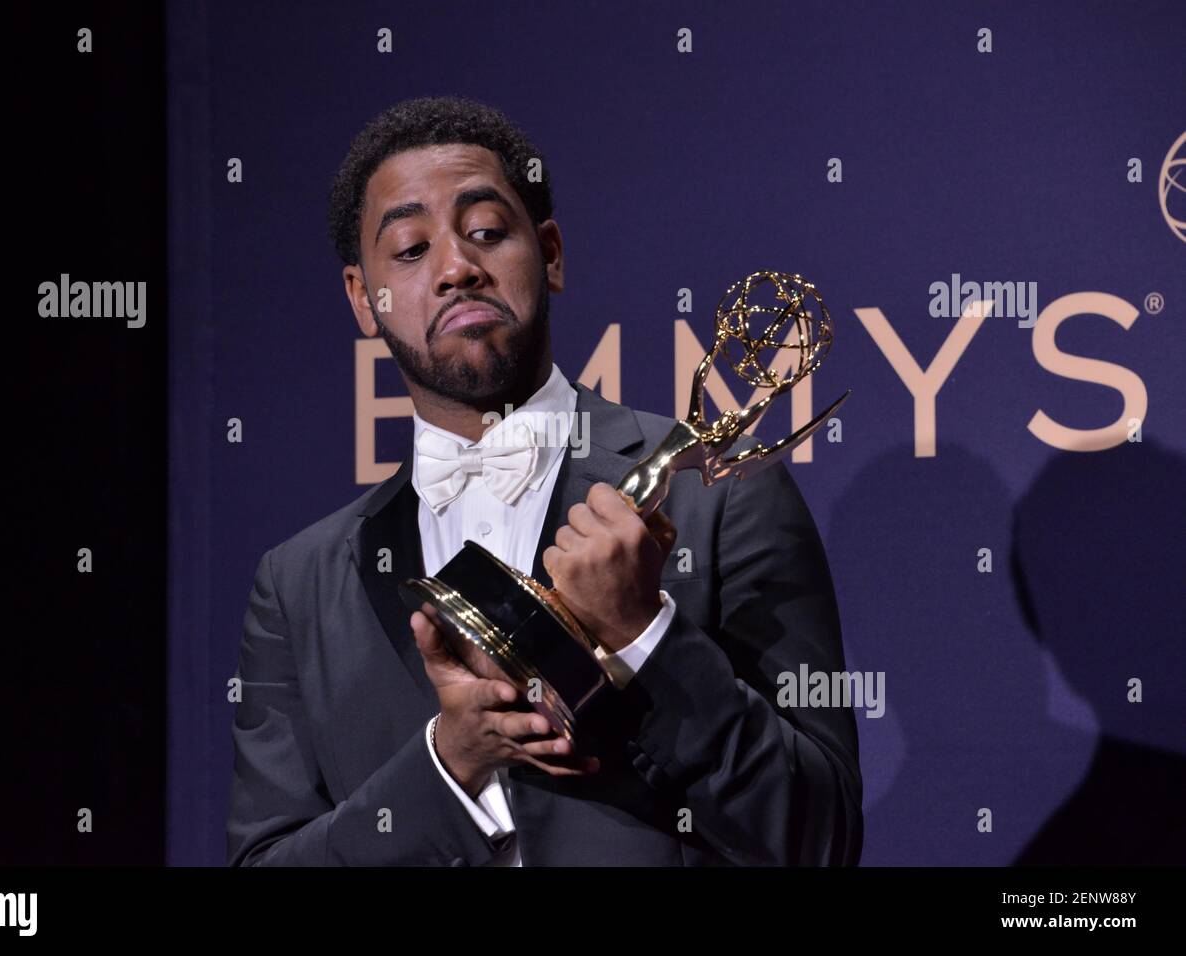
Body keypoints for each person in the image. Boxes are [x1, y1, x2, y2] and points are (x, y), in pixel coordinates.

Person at [226, 95, 862, 866]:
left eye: (487, 232)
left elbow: (821, 837)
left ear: (551, 254)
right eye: (410, 249)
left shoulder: (719, 497)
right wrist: (447, 767)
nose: (458, 267)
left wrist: (645, 639)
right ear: (365, 299)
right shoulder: (297, 585)